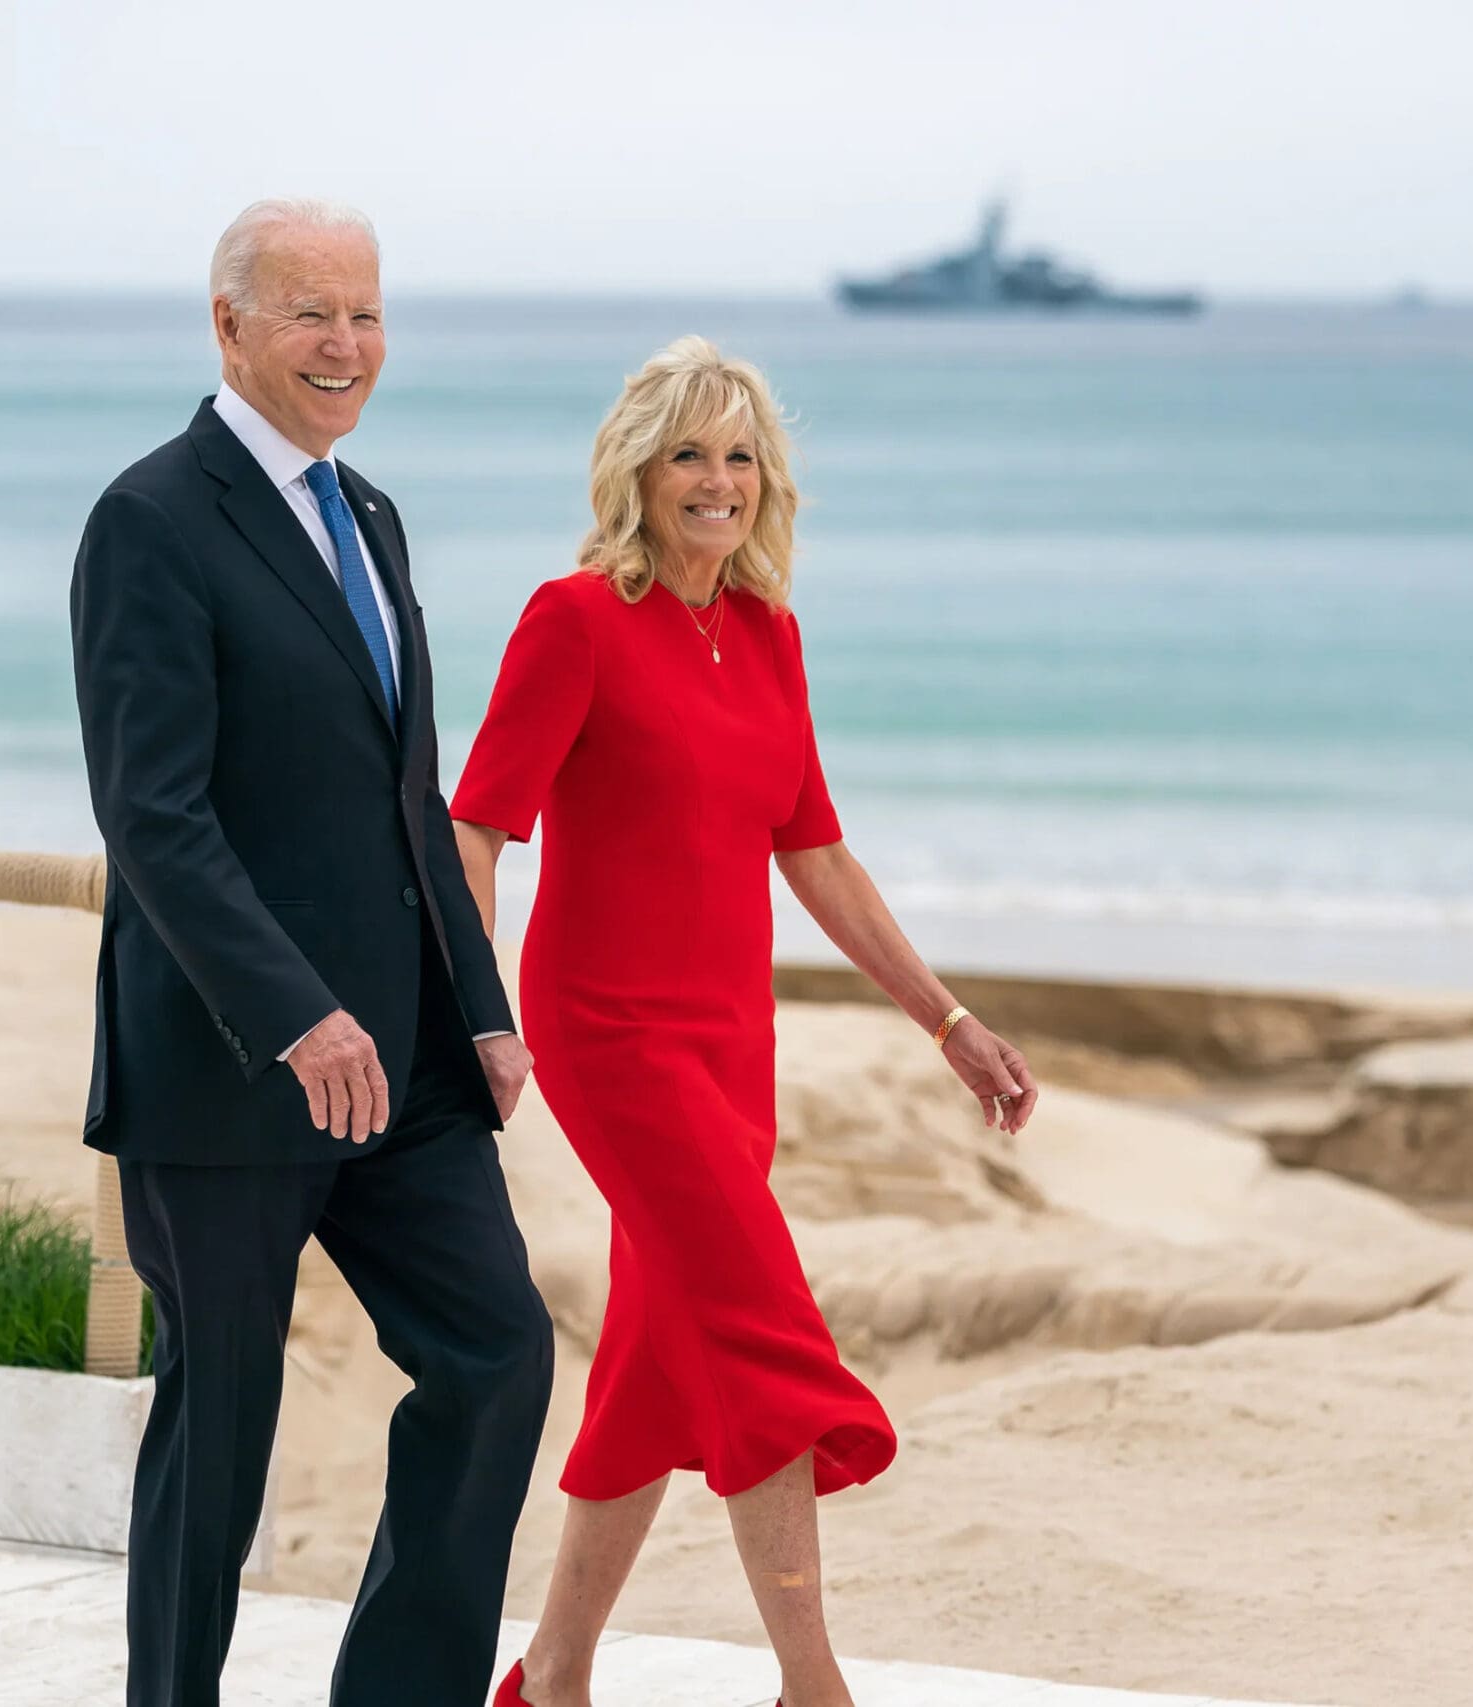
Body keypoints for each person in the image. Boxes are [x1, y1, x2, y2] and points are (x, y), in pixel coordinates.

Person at [451, 337, 1040, 1707]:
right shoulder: (576, 618)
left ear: (765, 480)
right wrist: (478, 1017)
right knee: (762, 1330)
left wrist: (944, 1019)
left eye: (738, 455)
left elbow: (815, 852)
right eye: (687, 456)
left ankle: (552, 1682)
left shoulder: (769, 635)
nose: (716, 482)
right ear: (637, 474)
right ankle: (812, 1687)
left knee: (659, 1365)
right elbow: (477, 830)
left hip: (731, 1041)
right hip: (607, 1033)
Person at [69, 197, 552, 1707]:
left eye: (366, 314)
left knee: (498, 1360)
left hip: (405, 1061)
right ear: (230, 326)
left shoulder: (373, 514)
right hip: (232, 1070)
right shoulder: (149, 519)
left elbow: (411, 795)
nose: (347, 346)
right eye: (309, 314)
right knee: (221, 1435)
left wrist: (479, 1005)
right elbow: (154, 814)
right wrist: (293, 1015)